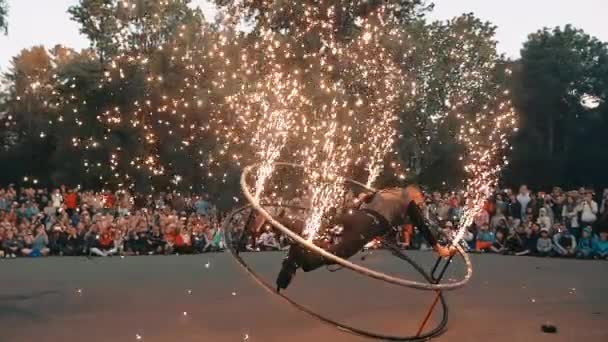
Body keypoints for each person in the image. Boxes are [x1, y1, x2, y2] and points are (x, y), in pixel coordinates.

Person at [265, 186, 455, 292]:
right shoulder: (408, 200)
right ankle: (303, 258)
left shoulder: (386, 190)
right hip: (368, 225)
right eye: (420, 200)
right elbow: (421, 224)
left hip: (353, 215)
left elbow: (364, 197)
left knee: (316, 230)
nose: (421, 204)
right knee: (339, 253)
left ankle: (287, 236)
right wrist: (438, 248)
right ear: (417, 195)